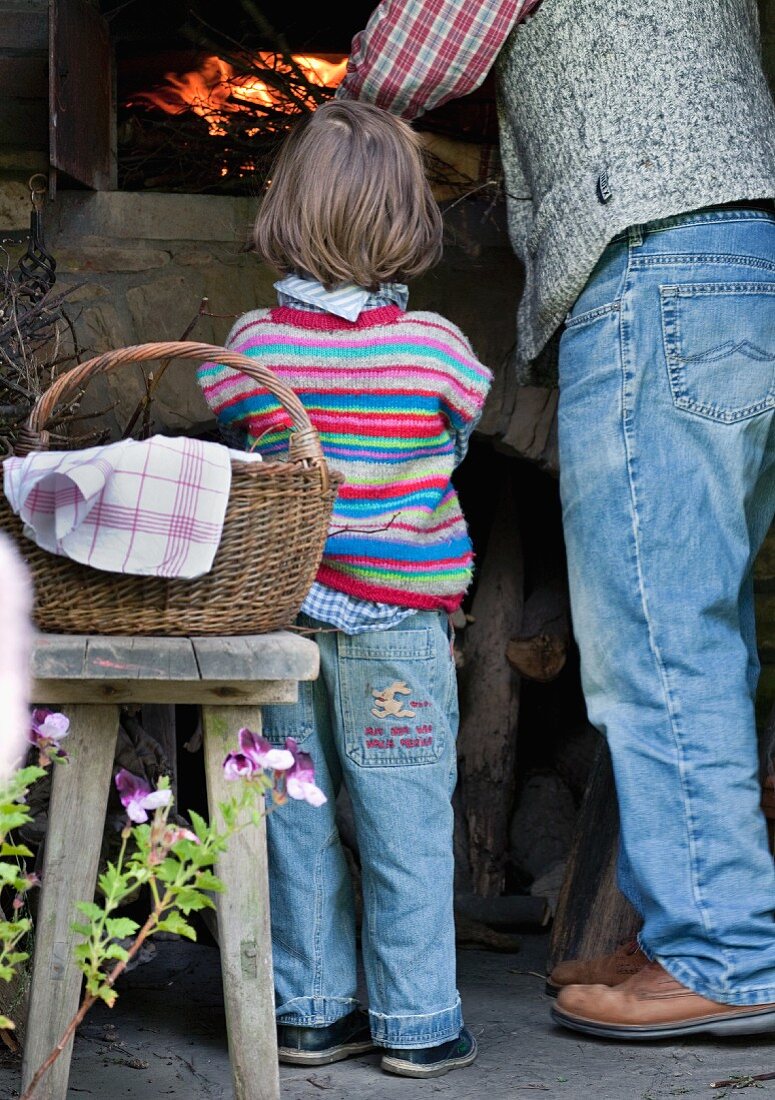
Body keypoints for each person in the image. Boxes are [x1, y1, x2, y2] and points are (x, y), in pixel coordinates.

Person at [335, 0, 775, 1040]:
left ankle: (728, 949)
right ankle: (699, 927)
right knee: (700, 622)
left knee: (659, 634)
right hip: (736, 261)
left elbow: (415, 45)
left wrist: (330, 120)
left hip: (656, 264)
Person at [197, 99, 492, 1077]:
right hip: (403, 627)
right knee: (408, 823)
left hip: (285, 617)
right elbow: (449, 445)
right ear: (410, 217)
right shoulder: (440, 351)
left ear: (287, 205)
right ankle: (416, 1021)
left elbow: (250, 449)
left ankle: (312, 1011)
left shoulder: (253, 350)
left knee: (295, 817)